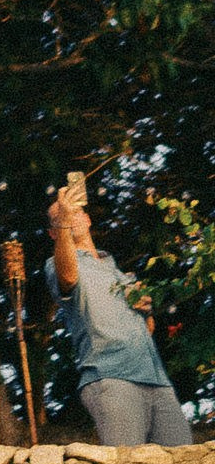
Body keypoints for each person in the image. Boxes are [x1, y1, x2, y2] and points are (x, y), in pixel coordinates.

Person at [47, 178, 188, 446]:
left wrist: (146, 312)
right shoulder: (58, 262)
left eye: (74, 211)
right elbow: (66, 277)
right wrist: (65, 220)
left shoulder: (120, 273)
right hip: (110, 378)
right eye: (60, 218)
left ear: (87, 218)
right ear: (54, 233)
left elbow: (147, 330)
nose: (70, 218)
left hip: (157, 380)